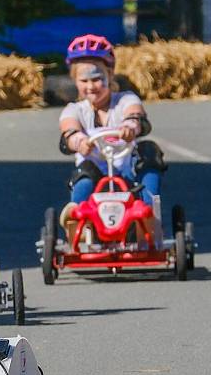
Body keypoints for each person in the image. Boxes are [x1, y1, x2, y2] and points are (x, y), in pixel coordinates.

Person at [55, 35, 167, 238]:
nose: (91, 86)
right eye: (84, 80)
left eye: (97, 78)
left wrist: (130, 125)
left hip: (127, 169)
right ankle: (77, 214)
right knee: (84, 176)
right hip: (95, 169)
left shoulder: (124, 99)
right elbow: (68, 129)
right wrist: (78, 141)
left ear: (110, 75)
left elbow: (134, 111)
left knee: (149, 151)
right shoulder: (74, 110)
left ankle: (149, 211)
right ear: (75, 81)